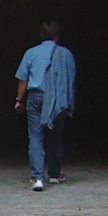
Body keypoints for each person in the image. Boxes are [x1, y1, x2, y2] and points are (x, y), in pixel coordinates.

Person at [14, 19, 76, 189]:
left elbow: (23, 80)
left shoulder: (31, 53)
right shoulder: (66, 54)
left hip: (36, 97)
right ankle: (54, 174)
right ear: (57, 36)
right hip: (57, 98)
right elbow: (71, 79)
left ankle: (37, 178)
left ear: (41, 35)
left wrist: (19, 100)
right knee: (55, 137)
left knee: (35, 136)